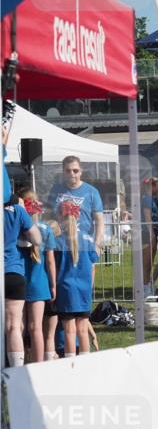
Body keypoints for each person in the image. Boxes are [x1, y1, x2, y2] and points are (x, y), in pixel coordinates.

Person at [53, 195, 98, 356]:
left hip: (66, 289)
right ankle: (85, 365)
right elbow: (93, 266)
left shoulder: (58, 241)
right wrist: (89, 286)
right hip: (84, 289)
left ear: (60, 216)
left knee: (69, 332)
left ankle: (70, 364)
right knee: (82, 330)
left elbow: (54, 266)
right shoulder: (87, 239)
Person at [18, 189, 57, 363]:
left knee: (19, 327)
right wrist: (53, 284)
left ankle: (18, 364)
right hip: (39, 283)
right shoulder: (46, 228)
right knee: (36, 329)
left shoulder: (16, 226)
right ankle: (38, 365)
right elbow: (50, 261)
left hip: (18, 280)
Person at [5, 192, 42, 367]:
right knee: (14, 325)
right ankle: (16, 371)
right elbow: (36, 238)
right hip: (13, 271)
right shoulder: (18, 211)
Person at [46, 155, 104, 250]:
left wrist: (97, 244)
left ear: (81, 171)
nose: (72, 173)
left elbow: (99, 220)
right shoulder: (55, 189)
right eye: (68, 171)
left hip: (83, 245)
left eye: (75, 170)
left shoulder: (92, 192)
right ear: (63, 172)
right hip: (58, 245)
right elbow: (47, 215)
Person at [140, 177, 158, 297]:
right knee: (147, 264)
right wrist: (152, 234)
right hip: (147, 233)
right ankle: (145, 288)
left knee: (149, 263)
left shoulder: (151, 199)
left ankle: (147, 286)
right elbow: (147, 218)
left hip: (149, 233)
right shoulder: (147, 199)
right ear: (151, 186)